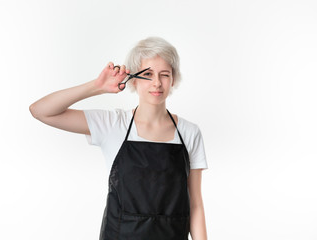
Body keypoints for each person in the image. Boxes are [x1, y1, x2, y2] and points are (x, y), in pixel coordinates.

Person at [29, 36, 208, 240]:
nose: (157, 83)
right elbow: (41, 111)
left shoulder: (189, 133)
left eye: (164, 74)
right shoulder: (112, 124)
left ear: (173, 79)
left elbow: (195, 205)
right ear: (133, 78)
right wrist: (96, 86)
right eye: (148, 74)